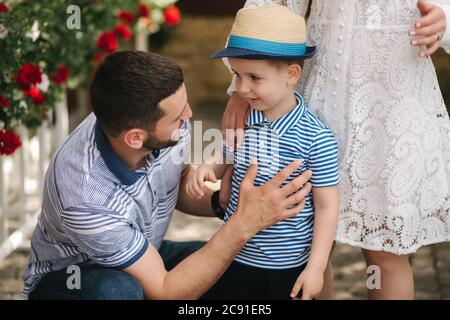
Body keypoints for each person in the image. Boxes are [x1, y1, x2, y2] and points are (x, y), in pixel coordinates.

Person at [23, 50, 313, 300]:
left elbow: (174, 182)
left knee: (244, 267)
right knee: (117, 290)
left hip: (147, 254)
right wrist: (244, 223)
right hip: (72, 279)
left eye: (184, 103)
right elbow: (165, 291)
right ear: (135, 138)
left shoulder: (156, 124)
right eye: (177, 117)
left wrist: (225, 200)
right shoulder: (84, 196)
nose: (188, 115)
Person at [222, 0, 450, 299]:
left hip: (391, 112)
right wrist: (243, 79)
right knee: (309, 243)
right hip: (320, 94)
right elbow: (271, 6)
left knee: (382, 255)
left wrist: (444, 17)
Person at [186, 4, 339, 300]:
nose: (242, 88)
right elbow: (227, 153)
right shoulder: (247, 118)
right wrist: (208, 168)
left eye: (254, 78)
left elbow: (326, 207)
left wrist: (316, 268)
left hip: (287, 267)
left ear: (292, 74)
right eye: (237, 75)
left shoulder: (316, 138)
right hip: (234, 254)